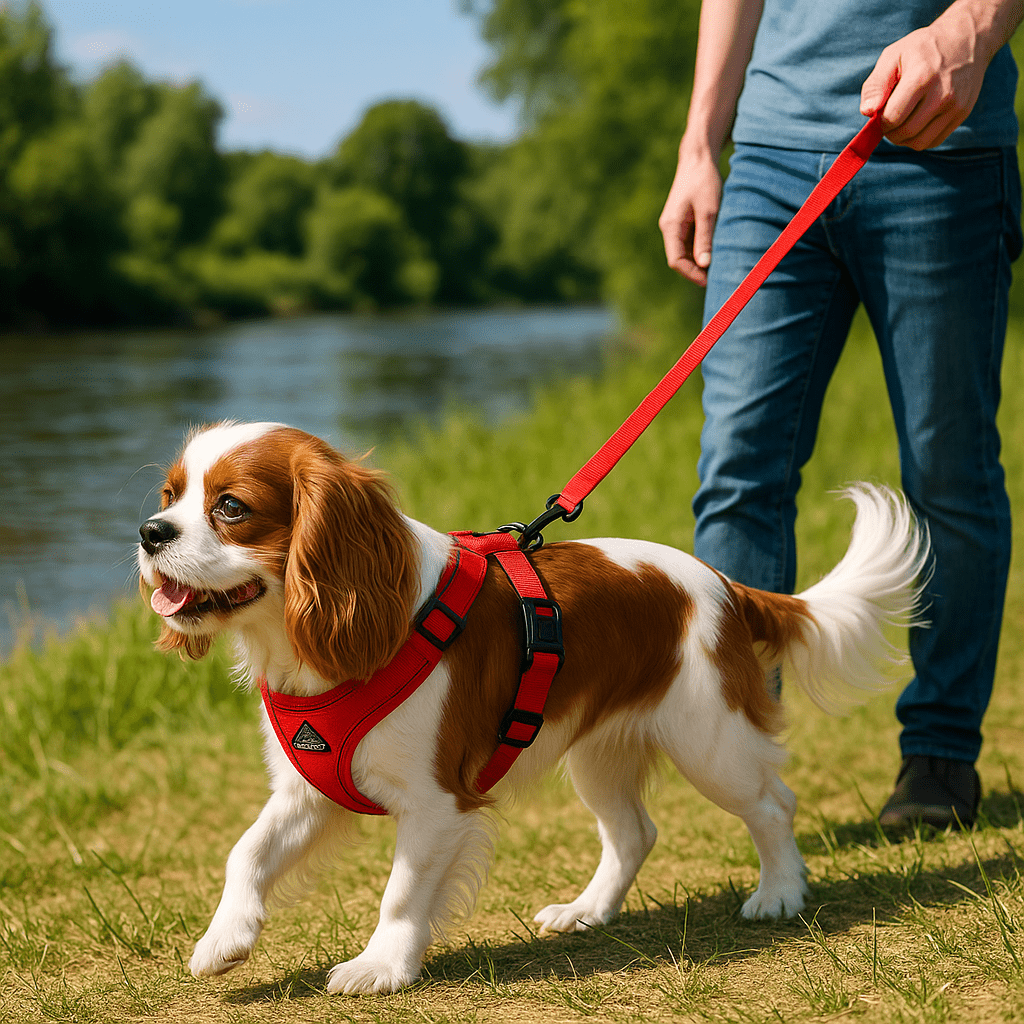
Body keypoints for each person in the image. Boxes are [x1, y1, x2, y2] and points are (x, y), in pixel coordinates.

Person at [659, 0, 1024, 830]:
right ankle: (735, 748)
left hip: (943, 149)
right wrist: (697, 147)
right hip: (769, 161)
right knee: (737, 466)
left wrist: (970, 28)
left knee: (947, 470)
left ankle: (938, 752)